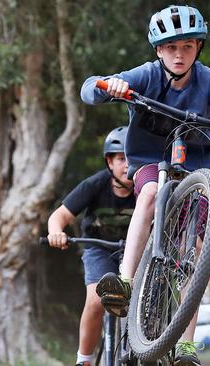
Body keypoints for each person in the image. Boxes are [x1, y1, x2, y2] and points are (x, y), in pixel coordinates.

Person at [80, 5, 210, 365]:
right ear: (158, 50)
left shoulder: (208, 81)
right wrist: (110, 86)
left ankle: (185, 346)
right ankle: (124, 284)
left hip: (198, 167)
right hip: (150, 161)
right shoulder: (148, 75)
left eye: (187, 46)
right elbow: (91, 88)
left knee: (197, 254)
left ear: (198, 48)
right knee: (151, 193)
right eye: (171, 48)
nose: (179, 54)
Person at [46, 126, 135, 366]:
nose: (127, 164)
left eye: (132, 157)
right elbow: (59, 216)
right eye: (121, 158)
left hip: (134, 251)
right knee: (96, 300)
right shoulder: (95, 184)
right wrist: (56, 233)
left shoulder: (147, 188)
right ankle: (84, 359)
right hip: (99, 248)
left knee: (142, 301)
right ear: (109, 162)